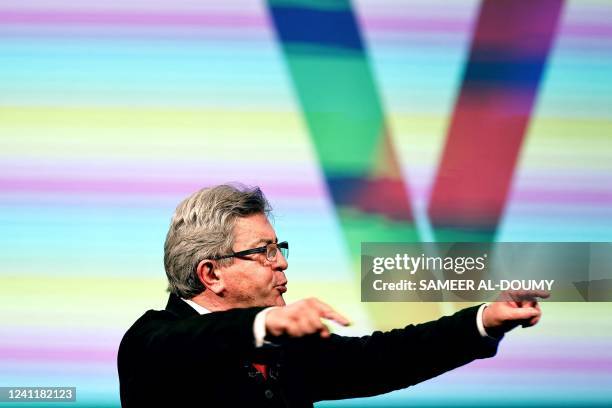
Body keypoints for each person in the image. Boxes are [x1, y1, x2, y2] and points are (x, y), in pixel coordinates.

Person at [118, 184, 546, 408]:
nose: (280, 263)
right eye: (263, 252)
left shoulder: (290, 349)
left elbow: (383, 357)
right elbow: (187, 345)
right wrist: (263, 324)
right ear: (211, 274)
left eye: (278, 249)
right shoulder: (152, 340)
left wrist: (484, 321)